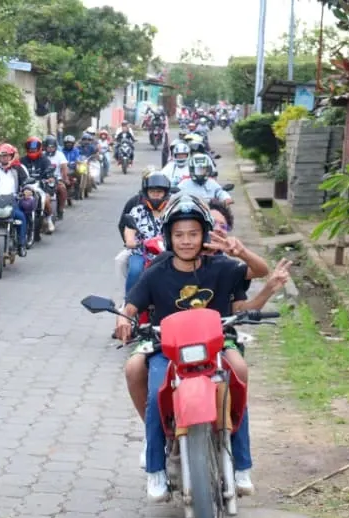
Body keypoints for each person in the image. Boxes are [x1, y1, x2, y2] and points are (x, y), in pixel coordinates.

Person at [118, 194, 286, 500]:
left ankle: (242, 464)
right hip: (166, 346)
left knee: (238, 372)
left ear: (204, 234)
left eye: (193, 234)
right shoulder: (157, 269)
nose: (186, 241)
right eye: (179, 235)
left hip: (217, 341)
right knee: (154, 390)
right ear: (168, 236)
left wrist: (243, 251)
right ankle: (155, 467)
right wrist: (124, 319)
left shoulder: (221, 265)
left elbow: (260, 271)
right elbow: (132, 303)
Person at [117, 171, 172, 301]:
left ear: (165, 193)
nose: (156, 195)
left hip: (168, 253)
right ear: (146, 193)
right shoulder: (138, 211)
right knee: (135, 271)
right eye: (152, 192)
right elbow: (129, 228)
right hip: (142, 252)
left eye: (159, 192)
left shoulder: (172, 210)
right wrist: (130, 240)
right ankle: (129, 303)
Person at [21, 136, 57, 233]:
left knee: (46, 199)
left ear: (40, 147)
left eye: (35, 147)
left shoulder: (44, 160)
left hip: (41, 185)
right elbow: (17, 171)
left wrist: (49, 177)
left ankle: (49, 219)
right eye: (30, 147)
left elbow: (50, 171)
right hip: (26, 187)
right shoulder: (22, 160)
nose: (32, 149)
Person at [43, 135, 69, 216]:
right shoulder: (42, 155)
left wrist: (65, 178)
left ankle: (61, 209)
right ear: (45, 147)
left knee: (62, 189)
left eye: (52, 147)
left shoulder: (60, 155)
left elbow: (64, 167)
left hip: (57, 179)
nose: (50, 149)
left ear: (55, 147)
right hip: (44, 180)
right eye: (48, 147)